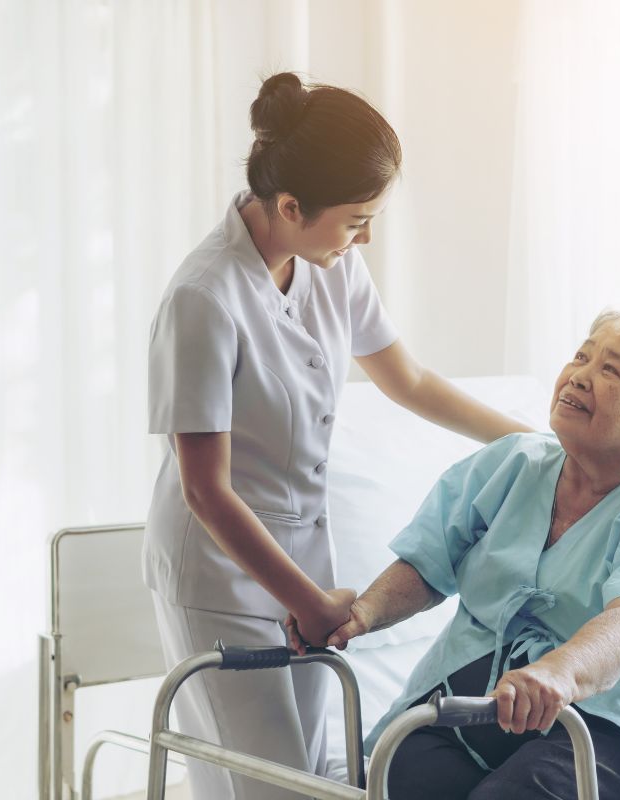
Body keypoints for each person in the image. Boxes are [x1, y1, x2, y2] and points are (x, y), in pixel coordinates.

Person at [143, 72, 529, 800]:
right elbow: (205, 489)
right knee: (269, 785)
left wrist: (536, 444)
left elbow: (409, 382)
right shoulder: (204, 298)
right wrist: (312, 602)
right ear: (290, 206)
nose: (367, 236)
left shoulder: (332, 265)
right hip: (221, 573)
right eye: (356, 219)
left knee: (312, 776)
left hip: (303, 563)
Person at [302, 309, 620, 800]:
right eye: (582, 355)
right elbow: (427, 563)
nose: (579, 375)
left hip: (615, 713)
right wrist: (360, 614)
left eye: (611, 369)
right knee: (400, 775)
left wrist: (560, 669)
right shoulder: (511, 463)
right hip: (489, 695)